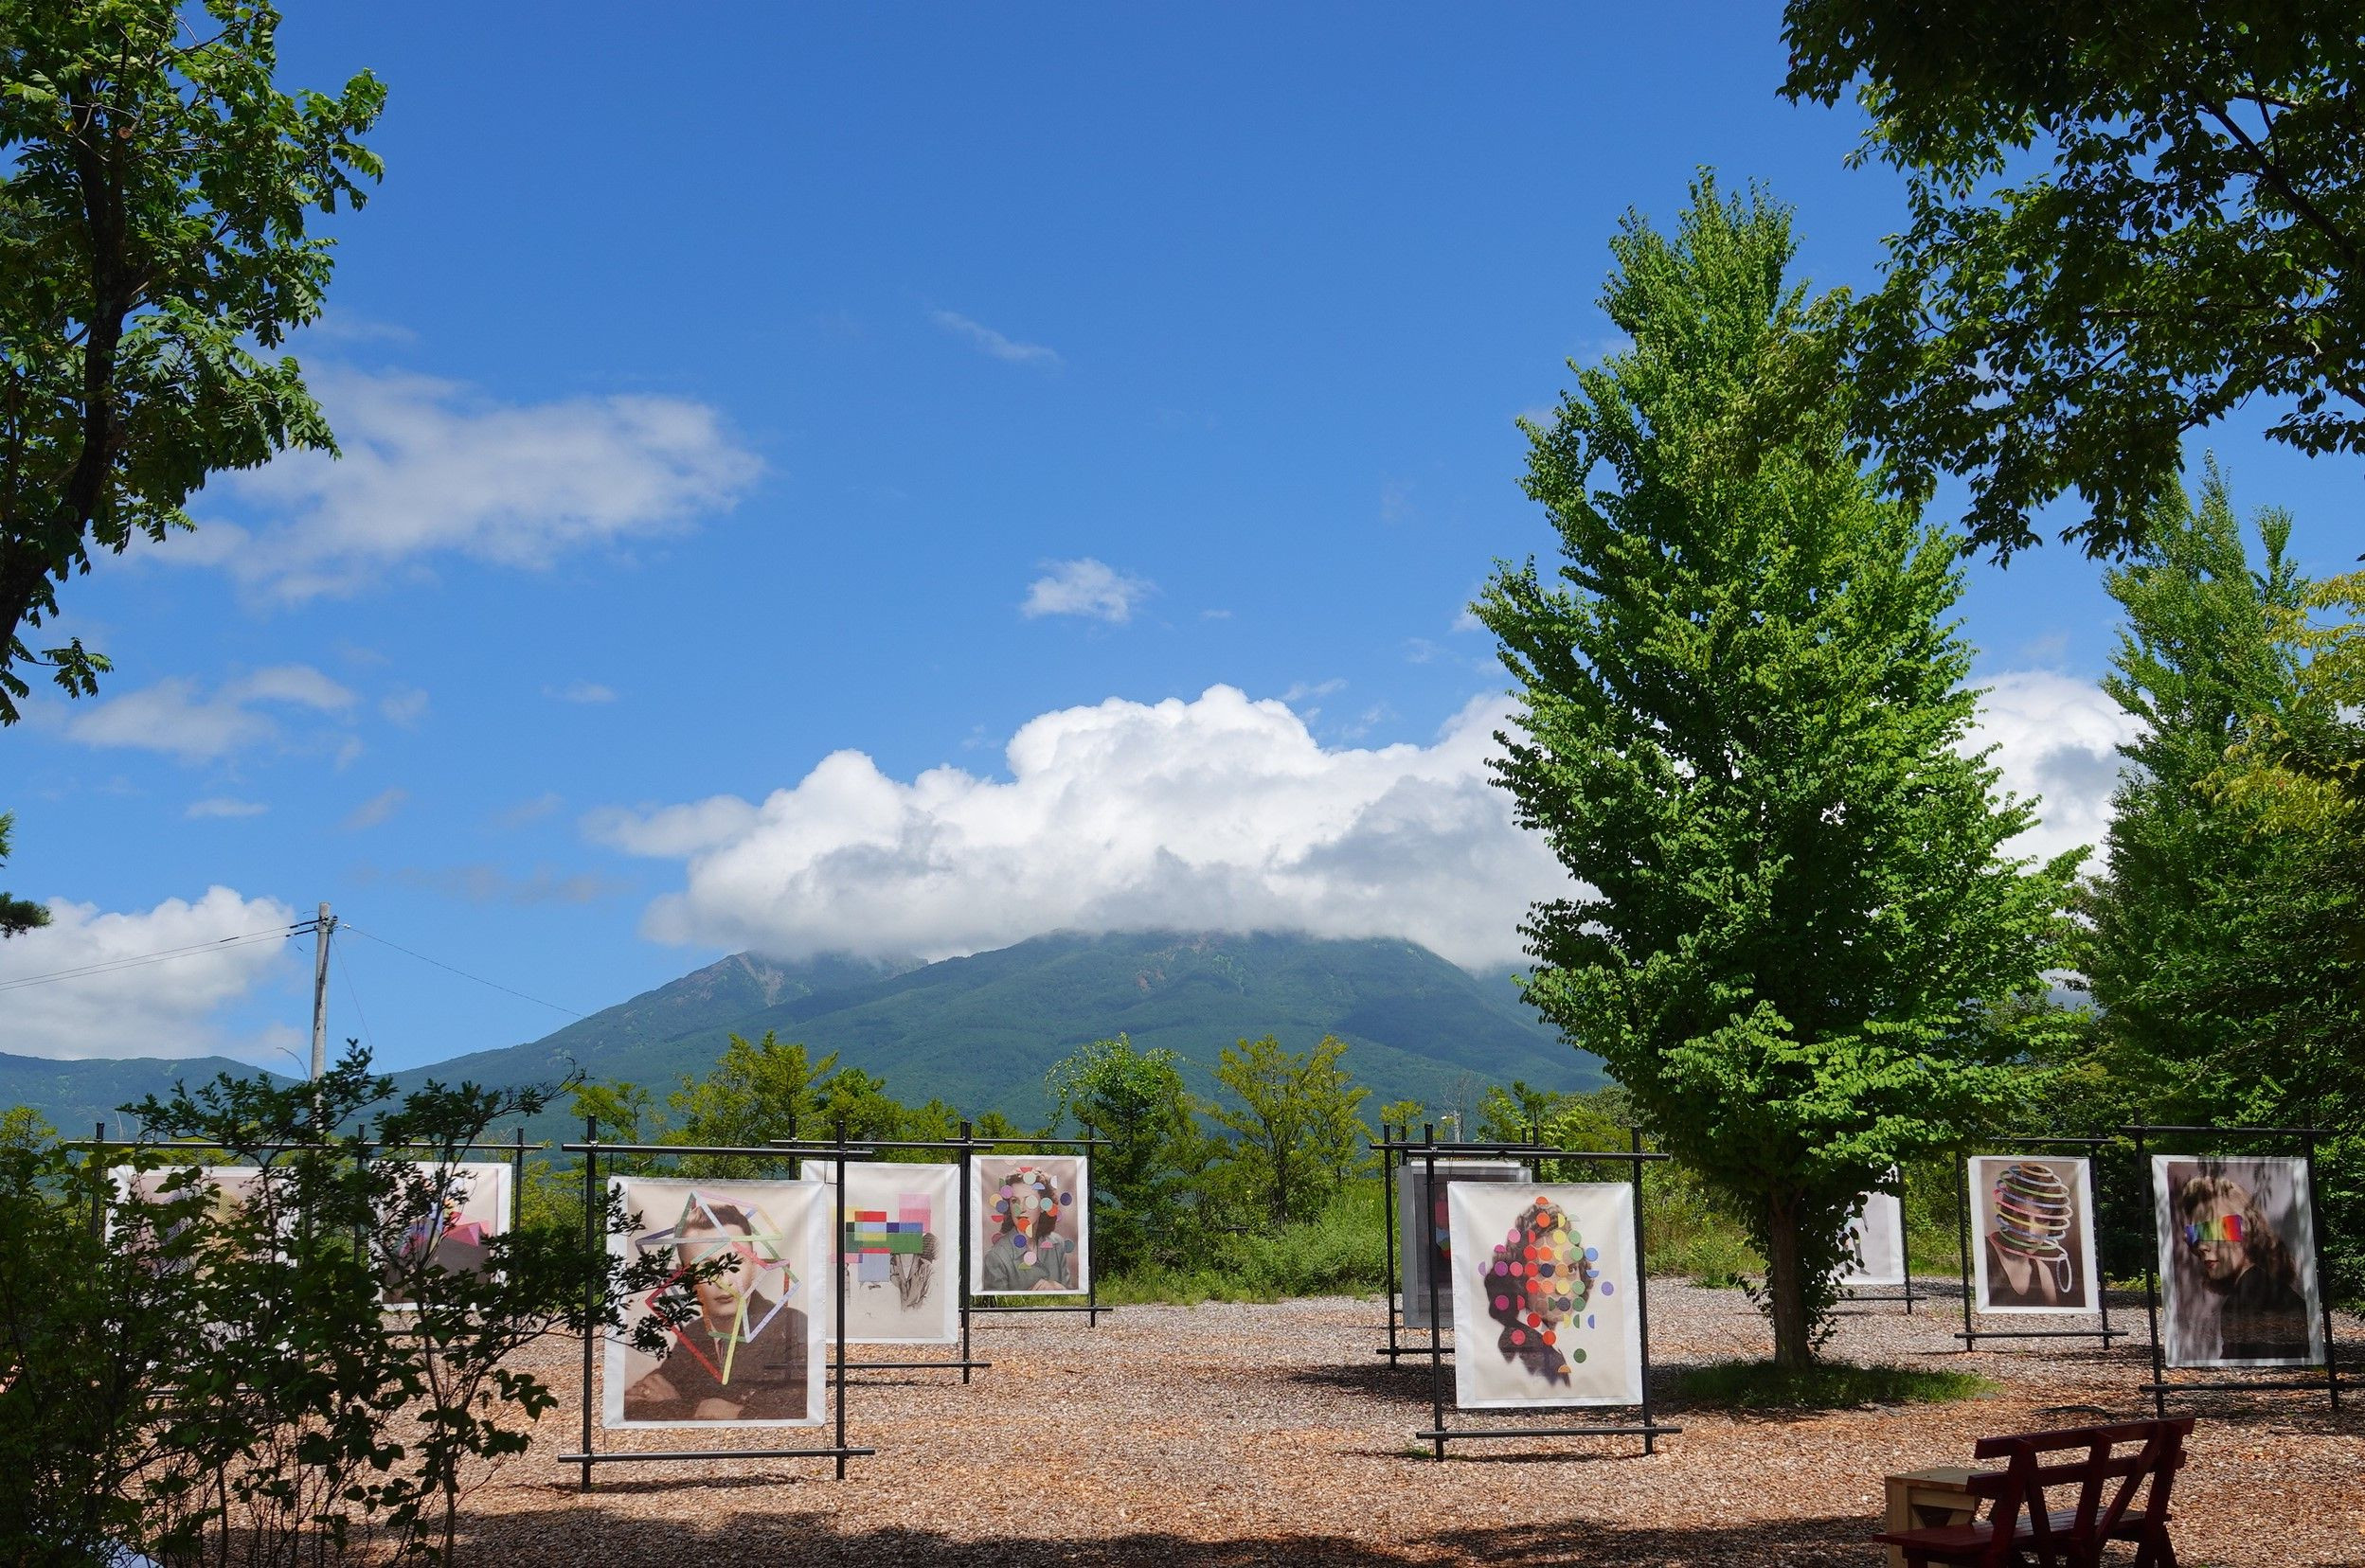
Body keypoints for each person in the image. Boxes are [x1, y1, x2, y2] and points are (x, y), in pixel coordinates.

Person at [624, 1194, 812, 1421]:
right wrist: (699, 1408)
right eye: (706, 1267)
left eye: (735, 1262)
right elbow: (641, 1398)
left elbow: (801, 1408)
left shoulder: (792, 1326)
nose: (724, 1281)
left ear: (754, 1264)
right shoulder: (695, 1333)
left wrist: (683, 1406)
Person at [2173, 1172, 2313, 1363]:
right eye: (2194, 1234)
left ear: (2248, 1229)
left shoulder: (2255, 1301)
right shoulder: (2255, 1293)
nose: (2201, 1246)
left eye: (2214, 1230)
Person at [1481, 1195, 1597, 1388]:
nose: (1562, 1287)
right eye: (1546, 1271)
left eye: (1570, 1269)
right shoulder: (1525, 1348)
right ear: (1519, 1279)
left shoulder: (1541, 1344)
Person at [1982, 1161, 2081, 1310]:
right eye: (2022, 1217)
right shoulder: (1984, 1254)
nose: (2030, 1231)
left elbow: (2053, 1319)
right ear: (2009, 1214)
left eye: (2041, 1220)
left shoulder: (2043, 1273)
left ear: (2052, 1223)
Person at [979, 1163, 1078, 1292]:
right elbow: (997, 1304)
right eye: (1015, 1201)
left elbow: (1071, 1297)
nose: (1021, 1209)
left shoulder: (1057, 1244)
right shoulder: (996, 1257)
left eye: (1030, 1200)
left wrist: (1058, 1287)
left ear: (1043, 1206)